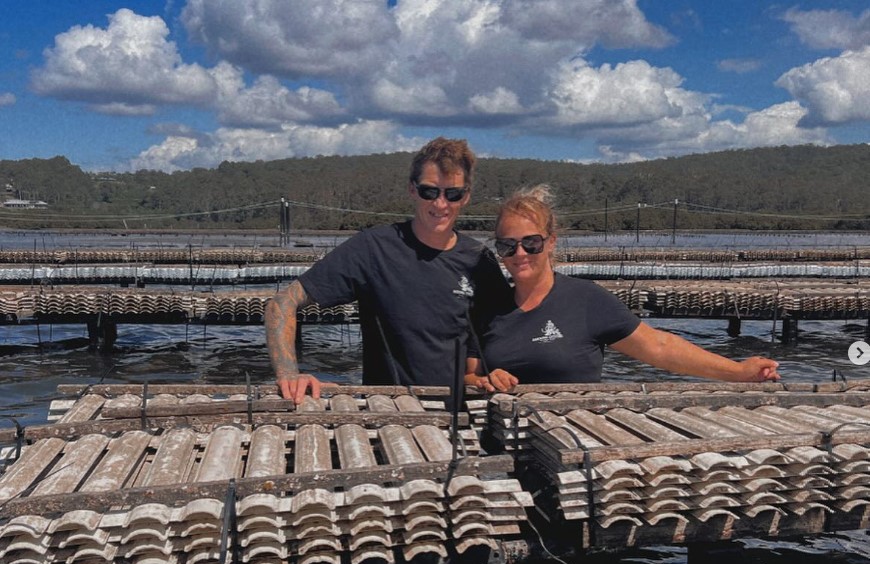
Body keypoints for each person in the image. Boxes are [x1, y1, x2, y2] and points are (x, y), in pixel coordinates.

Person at [465, 185, 780, 391]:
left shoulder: (587, 300)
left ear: (551, 242)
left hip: (573, 441)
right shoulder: (488, 310)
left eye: (531, 243)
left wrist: (738, 372)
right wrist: (484, 381)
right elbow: (469, 376)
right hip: (505, 451)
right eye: (508, 245)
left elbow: (659, 347)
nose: (519, 254)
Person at [266, 137, 509, 403]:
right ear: (412, 190)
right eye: (430, 192)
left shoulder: (479, 259)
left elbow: (503, 331)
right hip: (388, 415)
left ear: (466, 196)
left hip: (458, 422)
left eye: (453, 194)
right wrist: (290, 375)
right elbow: (282, 303)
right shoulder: (372, 248)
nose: (441, 204)